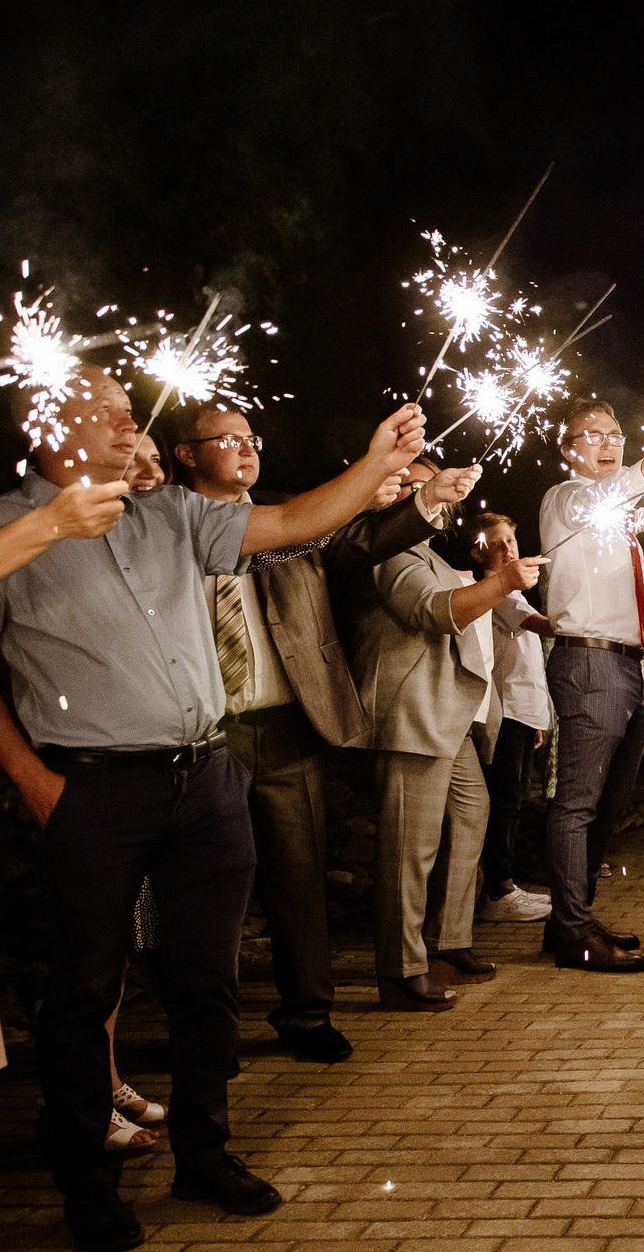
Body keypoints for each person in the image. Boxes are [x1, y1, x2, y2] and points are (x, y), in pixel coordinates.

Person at [0, 366, 429, 1252]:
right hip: (92, 788)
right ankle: (88, 1178)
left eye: (132, 415)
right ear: (47, 424)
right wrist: (33, 781)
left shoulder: (168, 514)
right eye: (111, 414)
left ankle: (204, 1151)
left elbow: (290, 523)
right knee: (84, 986)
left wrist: (373, 465)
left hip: (205, 780)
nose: (131, 426)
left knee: (207, 981)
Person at [169, 408, 477, 1060]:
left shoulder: (291, 517)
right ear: (186, 454)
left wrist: (424, 499)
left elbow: (359, 541)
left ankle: (308, 1014)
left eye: (253, 438)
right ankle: (207, 1032)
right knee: (203, 892)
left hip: (284, 721)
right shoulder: (165, 528)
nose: (248, 449)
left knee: (299, 878)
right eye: (229, 439)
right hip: (203, 733)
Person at [0, 468, 124, 1252]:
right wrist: (51, 525)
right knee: (77, 972)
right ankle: (80, 1143)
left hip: (174, 774)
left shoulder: (145, 513)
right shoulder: (2, 525)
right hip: (70, 779)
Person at [356, 489, 541, 1010]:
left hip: (451, 712)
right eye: (419, 489)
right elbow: (435, 612)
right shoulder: (391, 553)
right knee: (408, 846)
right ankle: (399, 970)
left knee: (473, 812)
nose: (436, 500)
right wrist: (503, 581)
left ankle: (446, 941)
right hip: (413, 711)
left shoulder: (433, 554)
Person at [538, 397, 644, 973]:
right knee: (576, 804)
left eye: (614, 432)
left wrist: (632, 514)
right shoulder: (566, 495)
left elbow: (611, 512)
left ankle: (572, 917)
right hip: (590, 664)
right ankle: (573, 934)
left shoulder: (609, 509)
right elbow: (599, 497)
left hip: (629, 664)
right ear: (566, 448)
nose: (606, 441)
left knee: (609, 805)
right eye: (590, 434)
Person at [472, 513, 555, 923]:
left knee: (514, 800)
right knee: (504, 801)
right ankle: (497, 890)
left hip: (522, 713)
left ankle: (505, 884)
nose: (508, 550)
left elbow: (527, 663)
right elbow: (543, 627)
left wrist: (537, 718)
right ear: (478, 550)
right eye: (497, 543)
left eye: (511, 541)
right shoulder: (497, 592)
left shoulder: (514, 592)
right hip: (503, 714)